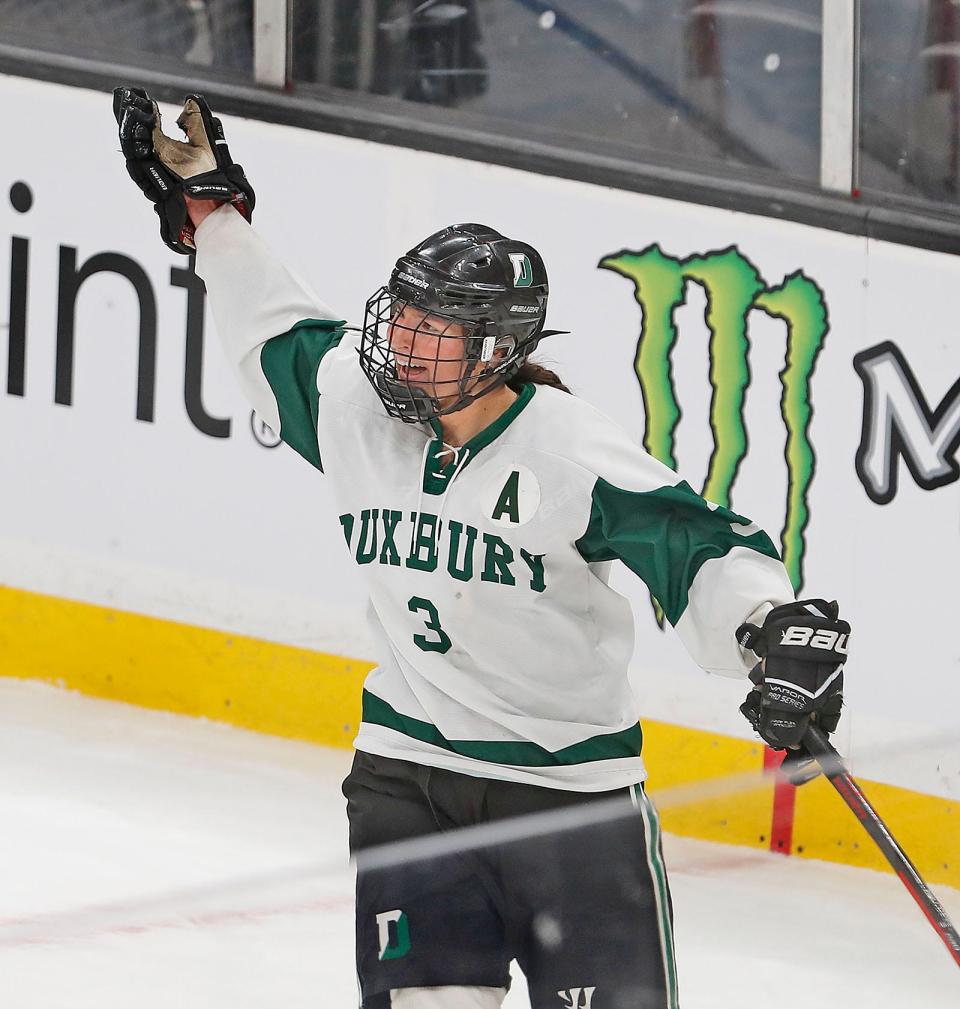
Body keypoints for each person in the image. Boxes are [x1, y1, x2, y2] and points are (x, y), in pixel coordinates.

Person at [112, 88, 851, 1009]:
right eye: (404, 313)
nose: (402, 339)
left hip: (568, 800)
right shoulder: (353, 402)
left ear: (497, 344)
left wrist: (772, 625)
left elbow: (691, 543)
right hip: (408, 780)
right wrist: (211, 214)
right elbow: (273, 328)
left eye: (434, 325)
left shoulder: (570, 452)